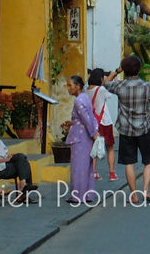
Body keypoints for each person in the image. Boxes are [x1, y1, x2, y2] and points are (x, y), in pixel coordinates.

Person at [104, 55, 150, 203]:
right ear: (139, 69)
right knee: (148, 161)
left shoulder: (120, 86)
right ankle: (146, 192)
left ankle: (134, 195)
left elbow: (106, 83)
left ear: (125, 70)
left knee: (130, 163)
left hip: (126, 129)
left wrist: (117, 70)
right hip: (144, 128)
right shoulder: (147, 86)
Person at [0, 114, 38, 200]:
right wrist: (5, 159)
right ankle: (23, 191)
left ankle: (23, 187)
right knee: (23, 162)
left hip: (5, 165)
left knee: (21, 158)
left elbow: (5, 155)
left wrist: (9, 157)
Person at [64, 75, 98, 204]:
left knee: (78, 167)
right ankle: (88, 194)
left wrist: (93, 132)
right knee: (87, 166)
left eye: (70, 85)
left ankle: (77, 195)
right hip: (86, 136)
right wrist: (94, 132)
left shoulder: (78, 100)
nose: (68, 88)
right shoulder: (85, 98)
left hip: (80, 136)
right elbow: (91, 117)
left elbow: (86, 118)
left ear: (77, 86)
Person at [86, 69, 116, 181]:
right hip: (105, 121)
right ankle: (112, 173)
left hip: (93, 122)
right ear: (101, 79)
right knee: (110, 147)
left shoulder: (86, 90)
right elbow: (109, 94)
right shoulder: (101, 89)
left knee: (93, 147)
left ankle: (94, 172)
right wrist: (112, 77)